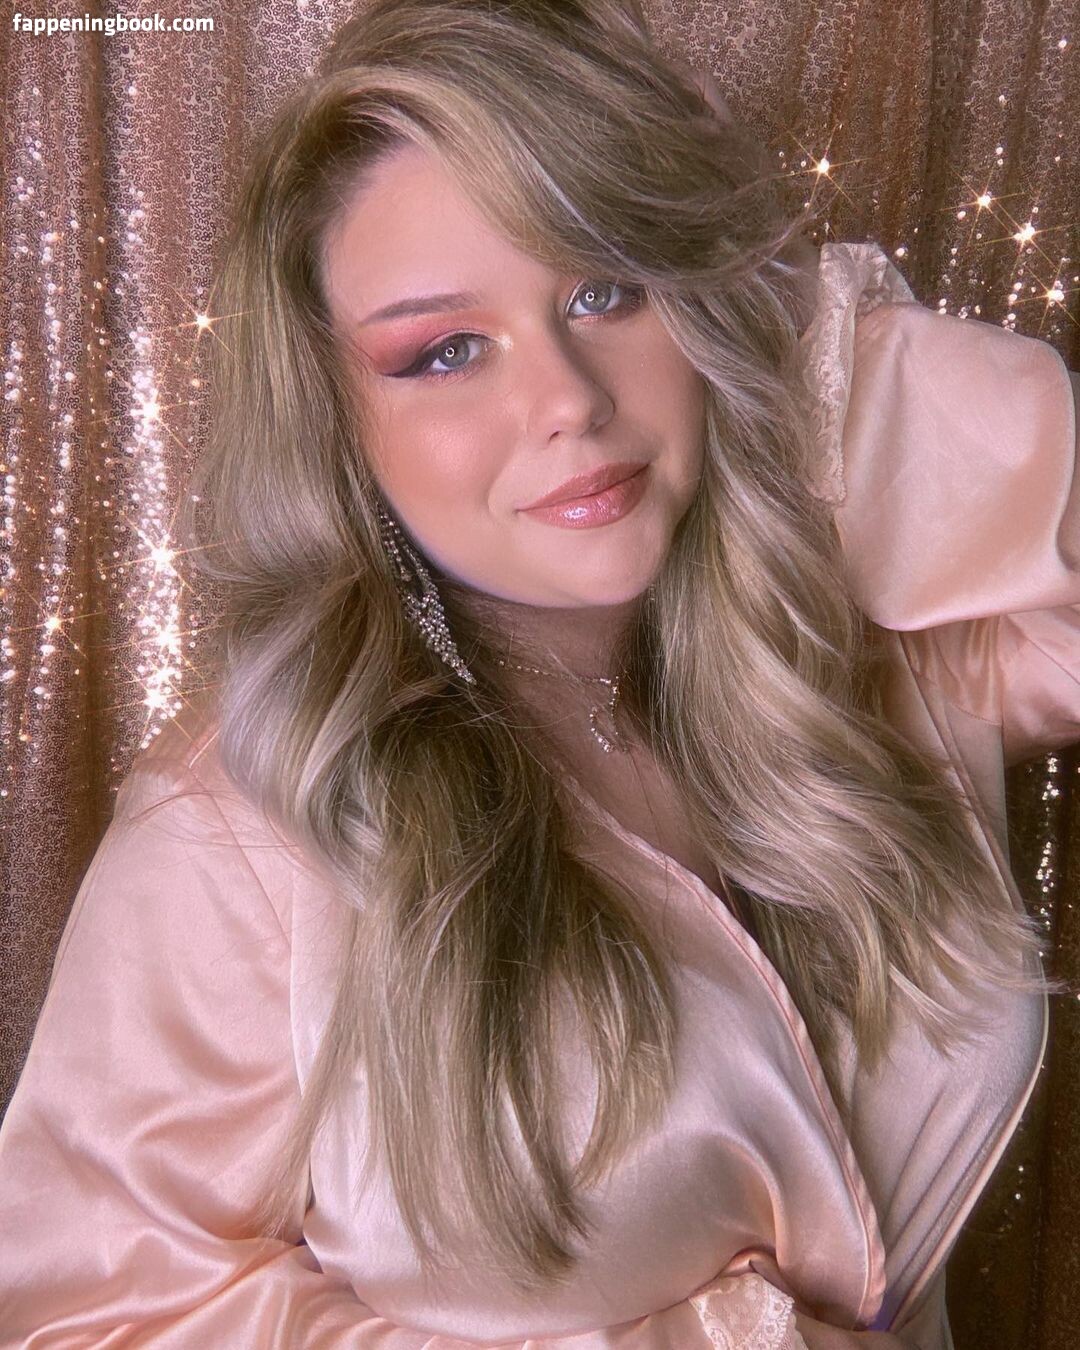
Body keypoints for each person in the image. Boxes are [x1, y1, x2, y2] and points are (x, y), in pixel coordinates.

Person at [1, 1, 1078, 1346]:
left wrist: (764, 345)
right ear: (337, 423)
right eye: (446, 351)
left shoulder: (845, 677)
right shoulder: (243, 830)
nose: (568, 395)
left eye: (606, 287)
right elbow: (90, 1312)